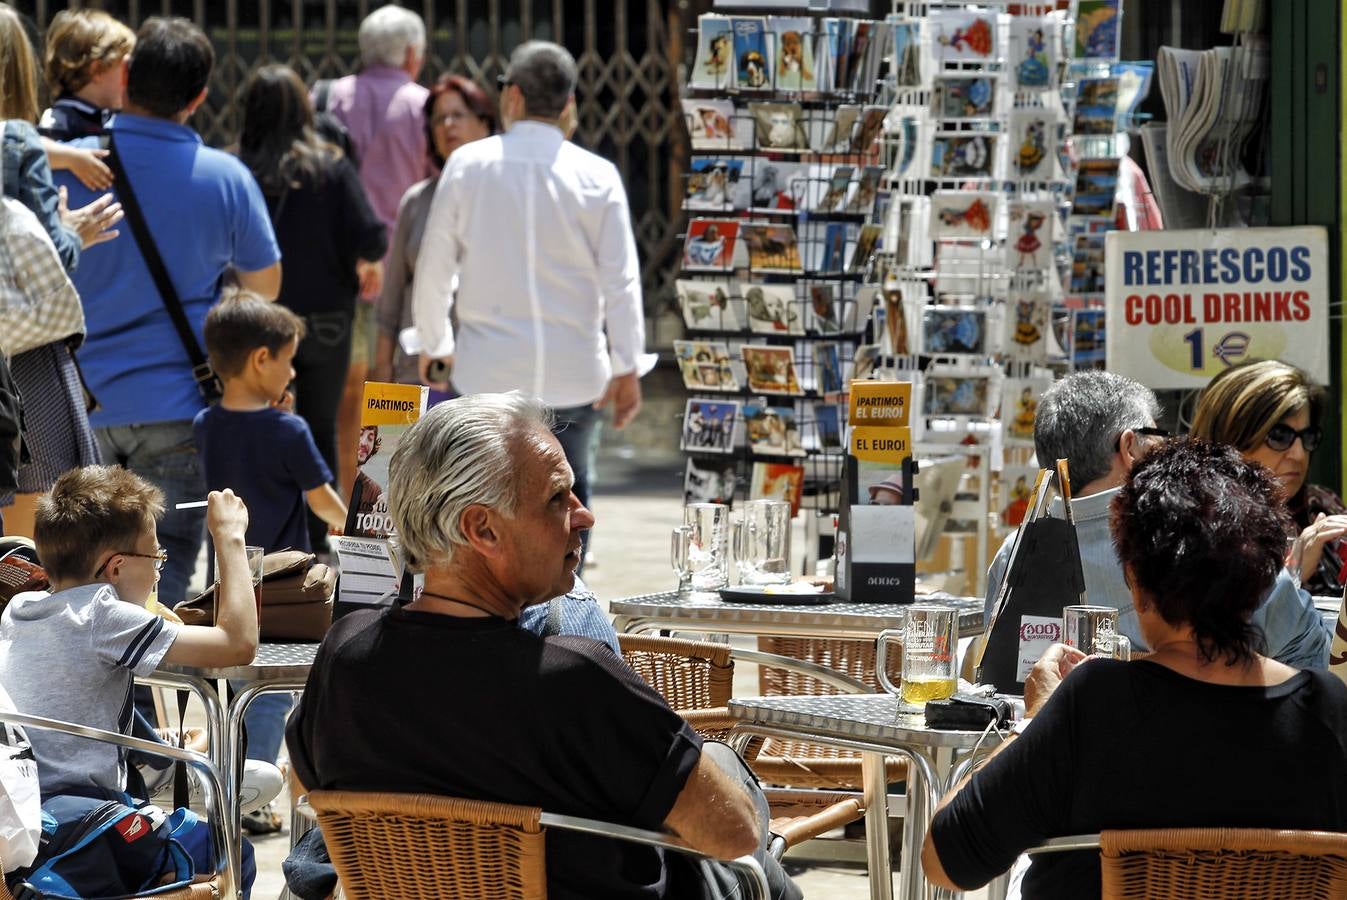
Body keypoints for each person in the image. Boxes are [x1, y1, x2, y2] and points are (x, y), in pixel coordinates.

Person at [286, 392, 799, 900]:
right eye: (557, 499)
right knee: (733, 795)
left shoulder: (345, 654)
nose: (584, 516)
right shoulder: (573, 678)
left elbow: (310, 795)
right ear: (481, 528)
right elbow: (733, 835)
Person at [923, 439, 1347, 898]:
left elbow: (945, 861)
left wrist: (1033, 722)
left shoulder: (1096, 705)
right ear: (1265, 581)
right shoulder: (1329, 711)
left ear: (1135, 581)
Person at [53, 16, 282, 609]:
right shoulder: (227, 178)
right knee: (167, 570)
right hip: (181, 404)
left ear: (126, 76)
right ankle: (155, 697)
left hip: (77, 403)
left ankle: (101, 696)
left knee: (80, 576)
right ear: (201, 95)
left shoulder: (65, 164)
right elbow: (264, 292)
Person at [0, 468, 264, 897]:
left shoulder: (22, 607)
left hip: (21, 812)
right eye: (156, 559)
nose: (159, 573)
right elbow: (237, 644)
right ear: (116, 567)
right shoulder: (101, 613)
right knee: (234, 851)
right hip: (78, 818)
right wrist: (229, 537)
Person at [412, 41, 645, 523]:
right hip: (575, 374)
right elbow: (621, 281)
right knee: (568, 504)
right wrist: (627, 366)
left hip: (486, 373)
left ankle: (497, 599)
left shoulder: (469, 165)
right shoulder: (598, 176)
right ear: (567, 103)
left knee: (485, 500)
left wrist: (434, 343)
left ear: (512, 96)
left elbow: (435, 268)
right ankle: (565, 600)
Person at [983, 370, 1329, 668]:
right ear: (1130, 446)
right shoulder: (1199, 529)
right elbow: (1310, 651)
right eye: (1156, 437)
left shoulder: (1014, 555)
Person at [194, 297, 346, 835]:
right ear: (262, 360)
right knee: (269, 691)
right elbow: (322, 501)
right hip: (285, 590)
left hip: (227, 579)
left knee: (233, 686)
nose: (293, 371)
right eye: (287, 359)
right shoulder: (289, 433)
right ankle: (249, 795)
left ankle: (225, 778)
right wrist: (356, 525)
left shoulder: (205, 423)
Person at [237, 64, 386, 549]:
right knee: (320, 425)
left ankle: (259, 532)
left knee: (255, 424)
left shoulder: (237, 170)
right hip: (325, 323)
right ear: (306, 110)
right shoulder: (331, 167)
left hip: (256, 326)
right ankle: (318, 539)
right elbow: (372, 236)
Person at [0, 2, 124, 539]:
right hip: (24, 359)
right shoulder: (18, 141)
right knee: (33, 530)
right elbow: (49, 255)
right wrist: (75, 232)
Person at [313, 4, 428, 507]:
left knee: (347, 394)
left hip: (340, 270)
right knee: (394, 389)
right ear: (411, 54)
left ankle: (346, 505)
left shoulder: (331, 98)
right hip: (405, 272)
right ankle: (387, 502)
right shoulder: (425, 106)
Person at [372, 74, 496, 387]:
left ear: (485, 124)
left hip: (487, 374)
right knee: (400, 440)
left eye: (458, 115)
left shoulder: (507, 198)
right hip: (420, 373)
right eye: (439, 119)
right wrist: (383, 369)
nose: (447, 125)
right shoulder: (416, 201)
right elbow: (391, 299)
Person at [1190, 359, 1347, 598]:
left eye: (1307, 436)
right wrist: (1291, 576)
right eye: (1280, 435)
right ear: (1228, 438)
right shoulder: (1193, 522)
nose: (1298, 454)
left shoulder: (1322, 504)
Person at [38, 8, 135, 143]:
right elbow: (46, 153)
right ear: (97, 70)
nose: (130, 77)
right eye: (124, 68)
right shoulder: (60, 118)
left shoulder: (110, 116)